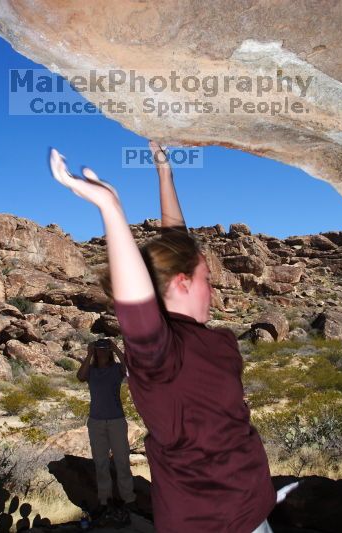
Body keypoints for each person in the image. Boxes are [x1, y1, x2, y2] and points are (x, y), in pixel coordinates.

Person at [50, 142, 276, 532]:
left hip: (254, 511)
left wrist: (164, 173)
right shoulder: (161, 355)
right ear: (184, 282)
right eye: (208, 279)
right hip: (211, 523)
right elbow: (136, 309)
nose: (214, 290)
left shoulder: (199, 337)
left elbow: (178, 241)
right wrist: (111, 212)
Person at [76, 338, 136, 519]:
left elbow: (129, 369)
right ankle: (104, 499)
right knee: (100, 461)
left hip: (116, 420)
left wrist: (116, 348)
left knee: (122, 460)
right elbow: (80, 377)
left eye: (104, 349)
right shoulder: (91, 371)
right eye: (99, 349)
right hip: (96, 421)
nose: (102, 352)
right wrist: (88, 354)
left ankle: (128, 497)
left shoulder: (116, 370)